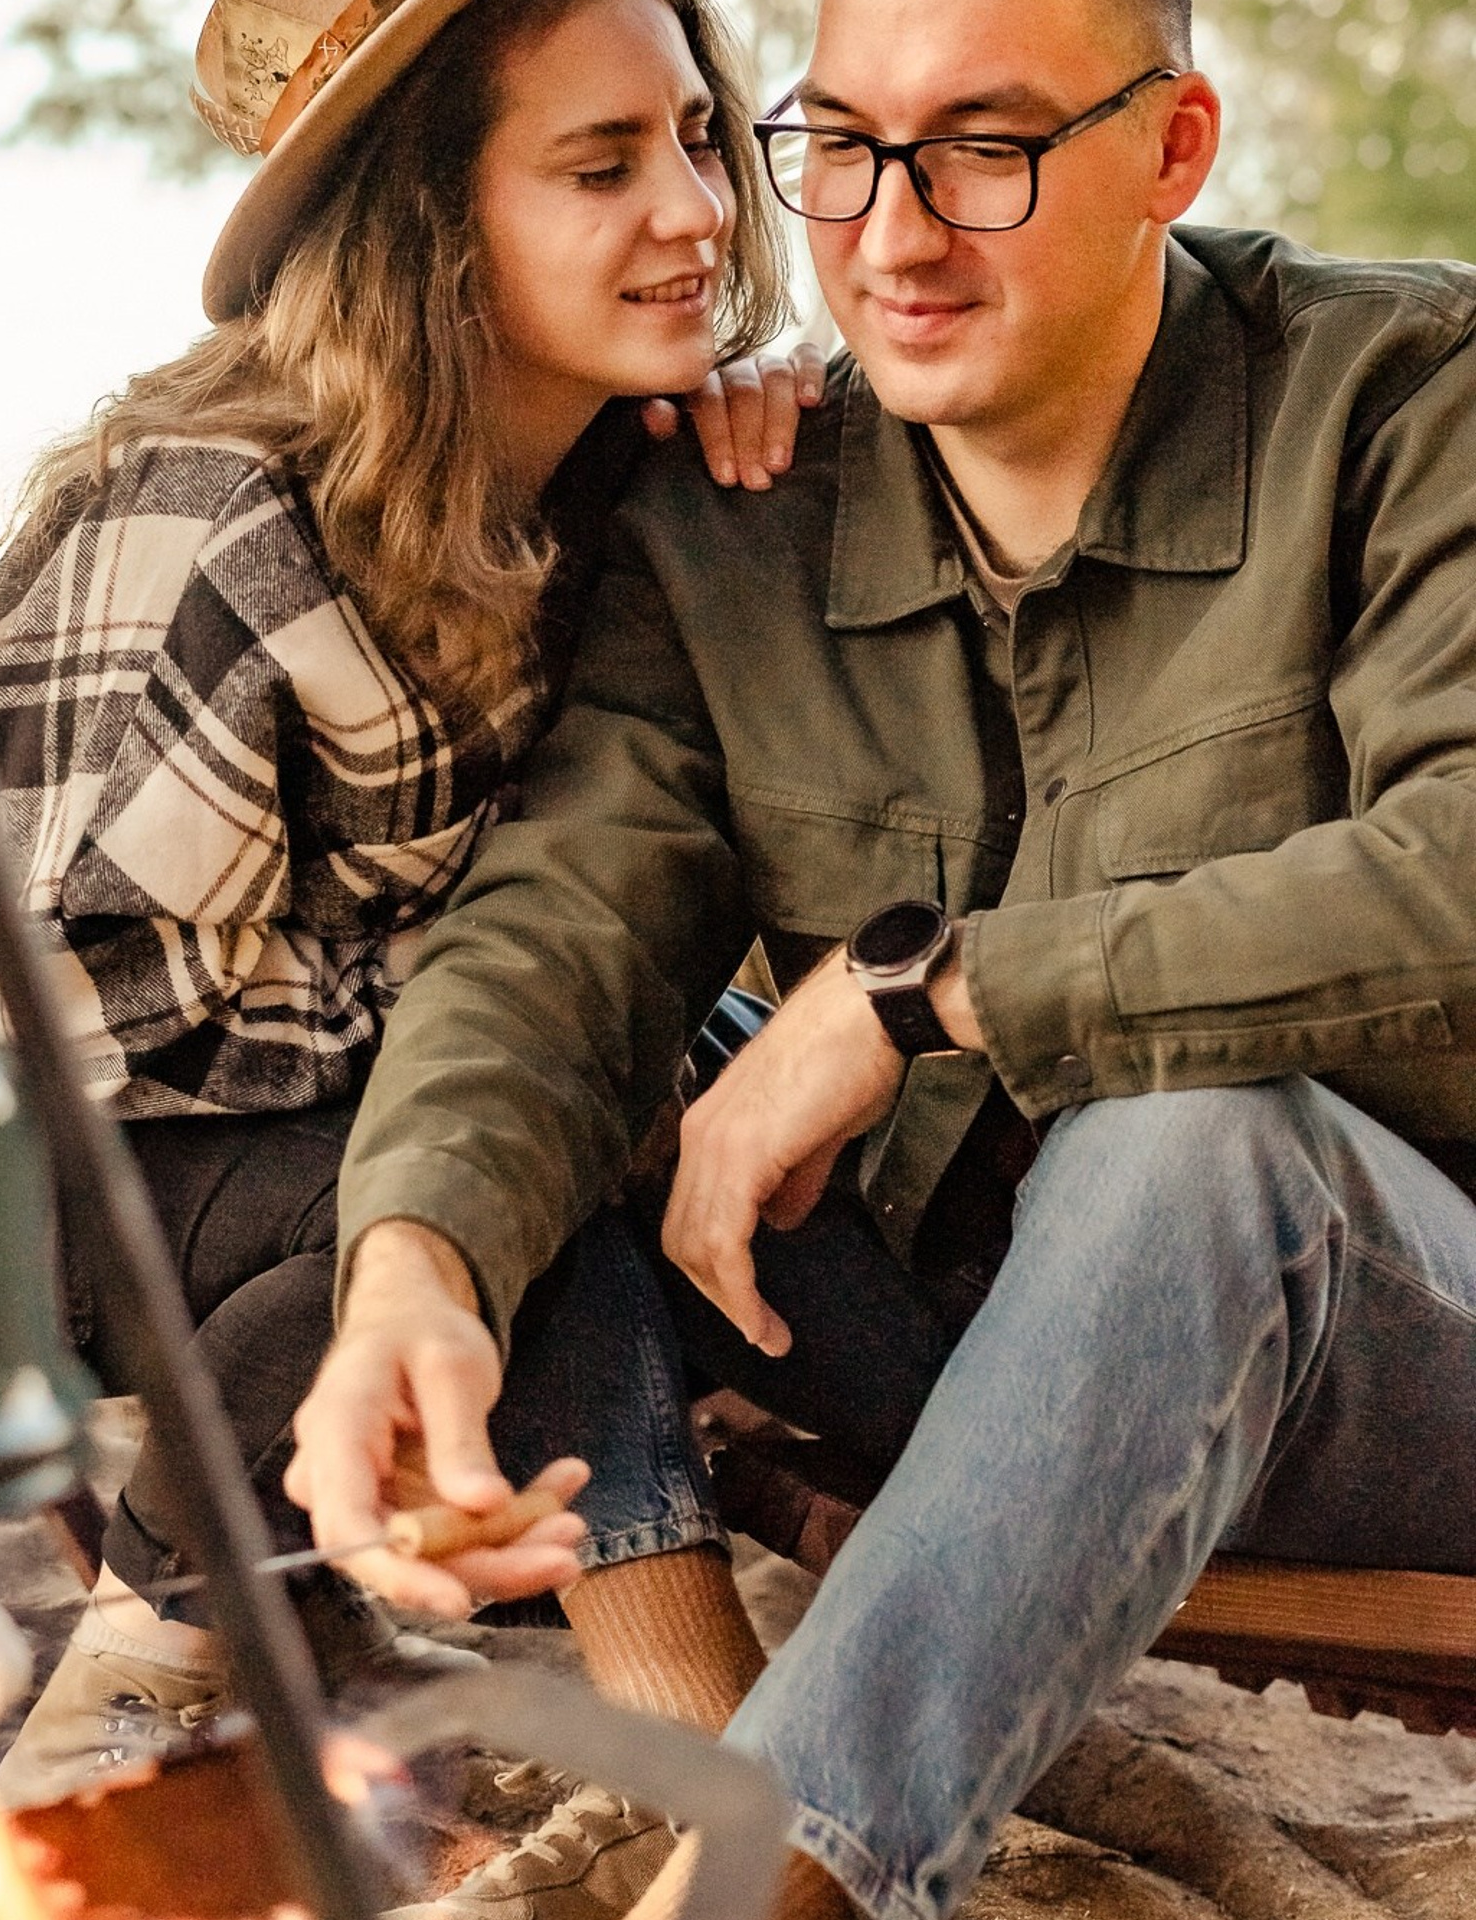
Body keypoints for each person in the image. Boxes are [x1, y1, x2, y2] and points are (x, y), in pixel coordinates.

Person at [283, 0, 1476, 1913]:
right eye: (838, 146)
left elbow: (1456, 880)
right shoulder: (738, 509)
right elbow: (564, 936)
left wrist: (924, 993)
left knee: (1185, 1141)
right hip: (950, 1345)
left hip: (1401, 1350)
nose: (892, 238)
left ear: (1174, 150)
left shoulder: (1414, 389)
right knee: (522, 1076)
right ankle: (679, 1724)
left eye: (983, 150)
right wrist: (412, 1268)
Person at [0, 0, 820, 1846]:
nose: (699, 209)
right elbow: (44, 1000)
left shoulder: (609, 483)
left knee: (607, 1142)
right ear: (434, 236)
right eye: (602, 167)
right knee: (493, 1179)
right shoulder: (229, 511)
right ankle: (208, 1659)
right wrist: (502, 1059)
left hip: (252, 1138)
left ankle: (211, 1623)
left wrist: (781, 439)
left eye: (699, 138)